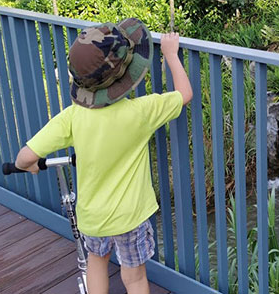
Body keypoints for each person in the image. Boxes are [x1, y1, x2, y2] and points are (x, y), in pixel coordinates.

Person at [14, 19, 192, 294]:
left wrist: (30, 167)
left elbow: (25, 157)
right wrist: (170, 55)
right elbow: (184, 94)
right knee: (134, 279)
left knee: (96, 263)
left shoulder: (72, 117)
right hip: (130, 216)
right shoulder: (141, 113)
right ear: (126, 76)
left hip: (92, 215)